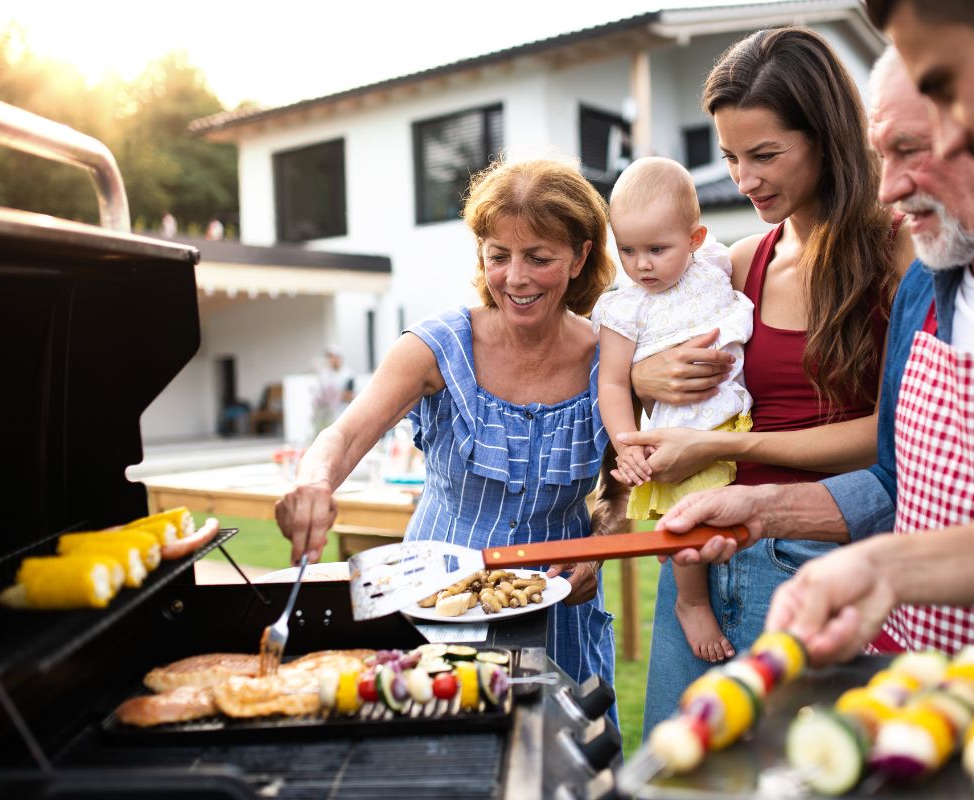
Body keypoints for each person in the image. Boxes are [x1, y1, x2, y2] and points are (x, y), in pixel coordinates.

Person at [657, 46, 974, 757]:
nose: (886, 189)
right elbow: (893, 484)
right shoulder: (923, 297)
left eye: (911, 150)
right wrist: (763, 508)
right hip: (925, 718)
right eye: (881, 152)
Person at [631, 26, 913, 735]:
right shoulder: (739, 261)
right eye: (729, 156)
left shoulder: (894, 249)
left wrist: (729, 452)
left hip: (812, 561)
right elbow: (647, 347)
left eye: (764, 155)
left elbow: (899, 434)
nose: (743, 179)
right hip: (700, 555)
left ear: (825, 137)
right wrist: (643, 372)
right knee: (674, 769)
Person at [275, 158, 627, 716]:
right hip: (436, 605)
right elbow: (341, 437)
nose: (516, 277)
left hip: (559, 615)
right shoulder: (437, 347)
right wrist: (314, 483)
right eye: (498, 256)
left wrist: (598, 550)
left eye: (539, 257)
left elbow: (620, 490)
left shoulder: (609, 360)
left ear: (581, 256)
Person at [592, 156, 754, 663]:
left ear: (696, 239)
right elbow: (613, 384)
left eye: (657, 250)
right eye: (627, 250)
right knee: (685, 522)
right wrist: (626, 444)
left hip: (737, 418)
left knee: (728, 528)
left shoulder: (717, 266)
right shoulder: (625, 307)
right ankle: (692, 602)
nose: (641, 265)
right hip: (679, 429)